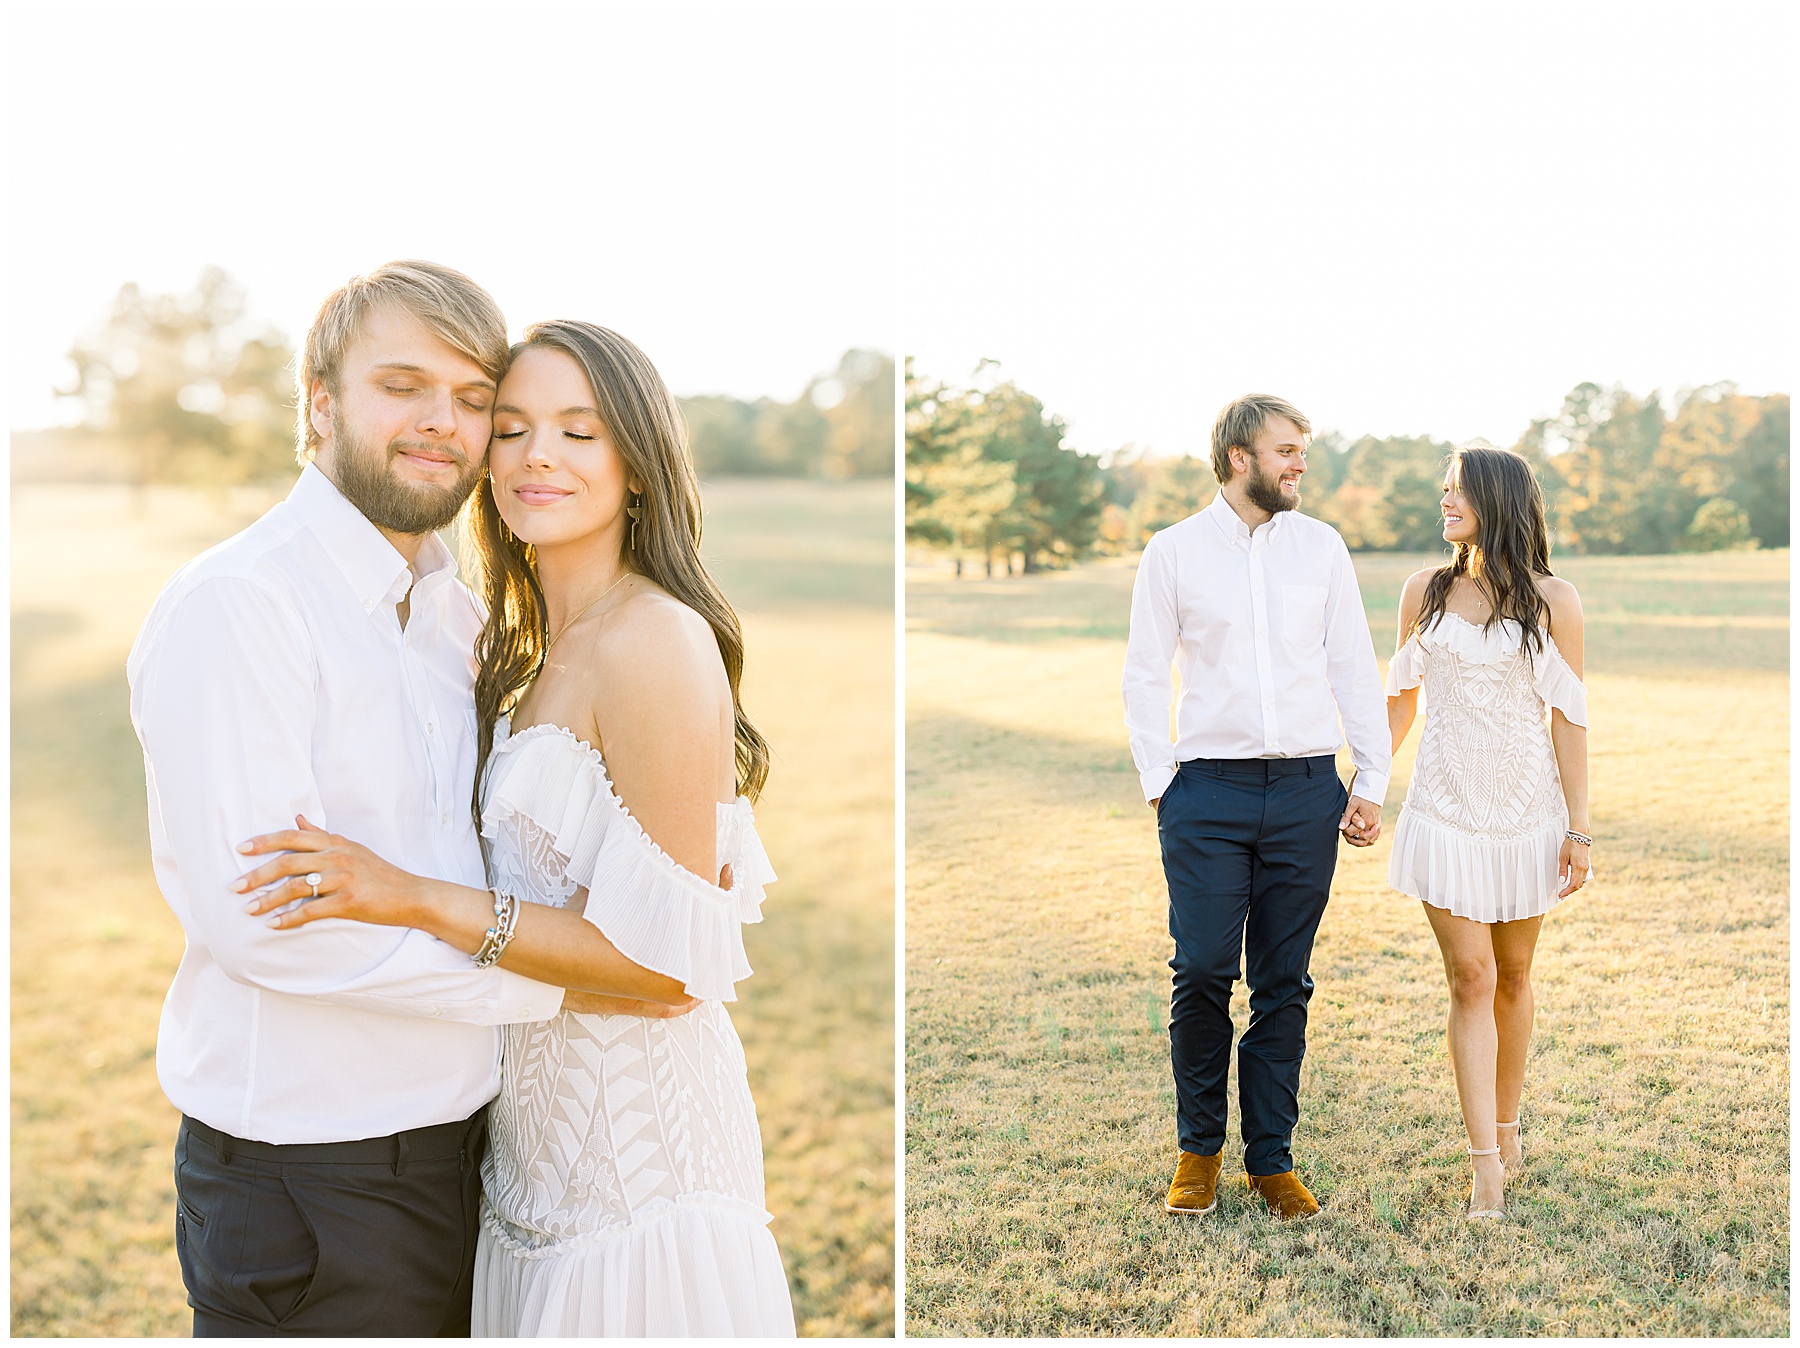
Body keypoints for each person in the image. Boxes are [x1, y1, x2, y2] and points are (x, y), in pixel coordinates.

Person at [127, 261, 660, 1336]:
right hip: (315, 1177)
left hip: (466, 1149)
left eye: (474, 401)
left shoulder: (451, 615)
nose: (443, 424)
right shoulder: (246, 605)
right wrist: (559, 981)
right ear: (320, 404)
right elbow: (269, 926)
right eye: (403, 385)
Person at [234, 320, 797, 1336]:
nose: (539, 455)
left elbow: (670, 971)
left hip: (639, 1181)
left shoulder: (653, 639)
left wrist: (404, 894)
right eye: (515, 427)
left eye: (581, 432)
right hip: (528, 1173)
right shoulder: (518, 647)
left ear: (638, 467)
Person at [1122, 394, 1391, 1221]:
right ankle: (1197, 1152)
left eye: (1302, 450)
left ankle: (1270, 1158)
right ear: (1239, 457)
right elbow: (1143, 674)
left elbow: (1352, 663)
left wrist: (1369, 778)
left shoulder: (1322, 549)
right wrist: (1162, 784)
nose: (1299, 464)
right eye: (1286, 450)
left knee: (1284, 982)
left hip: (1309, 790)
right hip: (1205, 792)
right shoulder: (1171, 553)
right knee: (1202, 970)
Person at [1384, 441, 1589, 1221]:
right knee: (1468, 977)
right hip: (1443, 811)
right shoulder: (1424, 593)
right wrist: (1366, 783)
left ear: (1495, 502)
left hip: (1527, 817)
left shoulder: (1554, 601)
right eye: (1441, 490)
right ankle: (1485, 1170)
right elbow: (1400, 699)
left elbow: (1569, 718)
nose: (1443, 503)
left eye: (1455, 492)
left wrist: (1581, 827)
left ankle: (1508, 1126)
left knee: (1512, 975)